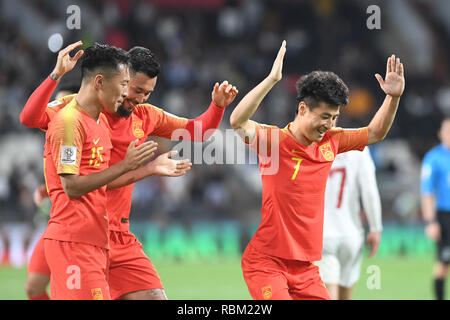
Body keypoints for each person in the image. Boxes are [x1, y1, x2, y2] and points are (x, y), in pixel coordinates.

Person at [21, 41, 238, 300]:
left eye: (148, 93)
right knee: (36, 287)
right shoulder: (76, 113)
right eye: (133, 88)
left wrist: (217, 107)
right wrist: (55, 75)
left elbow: (198, 130)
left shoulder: (146, 116)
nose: (139, 98)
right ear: (119, 79)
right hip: (79, 230)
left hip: (119, 235)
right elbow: (30, 119)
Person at [229, 40, 405, 300]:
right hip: (267, 263)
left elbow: (375, 132)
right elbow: (237, 121)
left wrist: (392, 97)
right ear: (302, 108)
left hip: (306, 269)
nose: (329, 124)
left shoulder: (332, 141)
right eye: (324, 116)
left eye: (334, 117)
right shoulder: (274, 142)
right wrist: (271, 80)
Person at [40, 42, 162, 299]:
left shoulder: (96, 125)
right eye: (122, 85)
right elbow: (71, 187)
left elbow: (102, 184)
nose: (125, 94)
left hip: (98, 241)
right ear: (100, 82)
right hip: (72, 241)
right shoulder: (68, 122)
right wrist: (128, 166)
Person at [316, 147, 382, 300]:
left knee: (328, 292)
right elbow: (370, 191)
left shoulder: (308, 145)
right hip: (352, 233)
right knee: (345, 294)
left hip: (322, 234)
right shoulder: (358, 147)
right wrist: (375, 228)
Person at [421, 117, 450, 300]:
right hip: (445, 216)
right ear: (441, 134)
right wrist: (431, 221)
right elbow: (427, 192)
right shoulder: (433, 158)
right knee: (444, 263)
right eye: (447, 131)